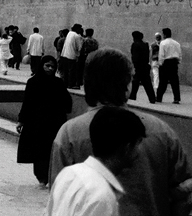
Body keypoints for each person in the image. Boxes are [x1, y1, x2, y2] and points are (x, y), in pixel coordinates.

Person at [50, 48, 192, 216]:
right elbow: (184, 191)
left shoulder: (69, 134)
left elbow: (60, 193)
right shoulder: (161, 130)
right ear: (126, 85)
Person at [46, 106, 147, 216]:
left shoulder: (69, 173)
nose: (140, 150)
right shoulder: (102, 196)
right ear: (127, 148)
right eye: (138, 143)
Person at [16, 55, 72, 185]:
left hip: (54, 123)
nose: (50, 69)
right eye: (47, 66)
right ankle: (41, 177)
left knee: (50, 151)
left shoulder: (58, 83)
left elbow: (67, 101)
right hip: (37, 123)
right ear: (42, 66)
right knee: (39, 150)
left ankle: (48, 176)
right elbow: (27, 103)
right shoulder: (33, 82)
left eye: (52, 66)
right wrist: (21, 120)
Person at [128, 31, 156, 104]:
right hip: (145, 66)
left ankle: (132, 97)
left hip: (138, 67)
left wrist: (134, 66)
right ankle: (152, 98)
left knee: (135, 83)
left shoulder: (135, 45)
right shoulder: (145, 45)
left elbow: (135, 57)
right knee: (147, 83)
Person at [156, 27, 182, 104]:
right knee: (175, 82)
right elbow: (179, 54)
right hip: (174, 62)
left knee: (163, 82)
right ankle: (176, 98)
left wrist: (160, 63)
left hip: (166, 63)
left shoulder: (163, 43)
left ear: (164, 34)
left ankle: (159, 97)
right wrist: (178, 61)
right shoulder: (177, 43)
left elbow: (161, 55)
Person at [60, 24, 83, 88]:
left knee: (66, 71)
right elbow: (79, 47)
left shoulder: (69, 33)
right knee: (72, 71)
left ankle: (66, 83)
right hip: (72, 56)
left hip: (65, 54)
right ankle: (71, 84)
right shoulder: (77, 36)